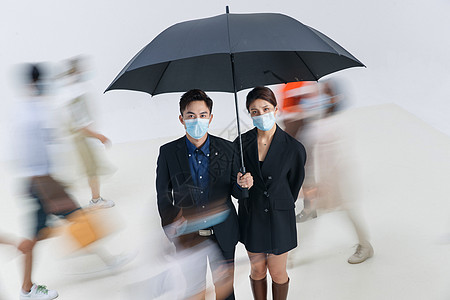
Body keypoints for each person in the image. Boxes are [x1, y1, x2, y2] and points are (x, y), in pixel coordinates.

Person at [156, 89, 239, 299]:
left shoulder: (228, 149)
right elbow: (163, 195)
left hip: (224, 234)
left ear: (210, 118)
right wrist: (171, 228)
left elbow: (238, 193)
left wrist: (243, 185)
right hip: (188, 237)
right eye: (191, 116)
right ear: (181, 119)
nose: (197, 120)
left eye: (202, 115)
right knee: (195, 290)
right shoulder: (167, 153)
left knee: (226, 292)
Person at [233, 86, 306, 300]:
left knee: (277, 272)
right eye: (254, 111)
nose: (261, 114)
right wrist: (241, 183)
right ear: (249, 114)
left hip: (279, 217)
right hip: (252, 214)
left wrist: (278, 202)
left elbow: (293, 185)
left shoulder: (294, 148)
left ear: (276, 109)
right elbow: (233, 186)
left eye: (265, 108)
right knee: (257, 270)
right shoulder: (240, 144)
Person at [57, 56, 115, 208]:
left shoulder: (68, 92)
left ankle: (92, 199)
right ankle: (95, 200)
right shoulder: (75, 94)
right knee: (91, 169)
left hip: (80, 138)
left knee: (87, 170)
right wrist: (99, 136)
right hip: (82, 138)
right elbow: (79, 124)